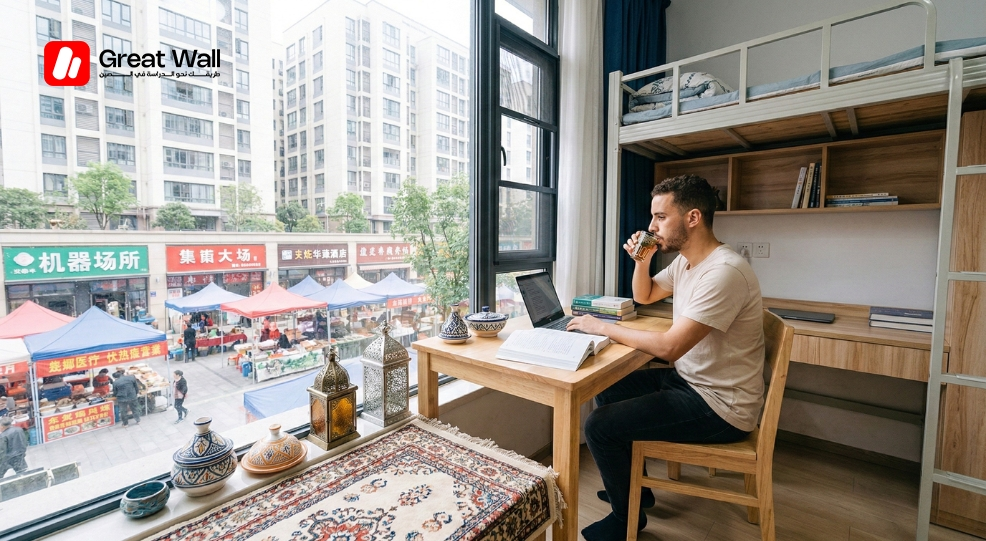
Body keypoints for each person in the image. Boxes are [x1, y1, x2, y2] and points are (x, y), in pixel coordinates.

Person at [566, 175, 765, 541]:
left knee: (599, 426)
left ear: (692, 218)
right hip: (692, 383)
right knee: (609, 388)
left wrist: (602, 327)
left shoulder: (723, 272)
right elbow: (645, 295)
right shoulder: (688, 262)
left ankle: (626, 520)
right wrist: (642, 259)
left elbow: (671, 347)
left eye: (660, 217)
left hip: (721, 406)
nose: (651, 226)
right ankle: (635, 492)